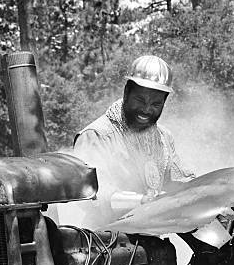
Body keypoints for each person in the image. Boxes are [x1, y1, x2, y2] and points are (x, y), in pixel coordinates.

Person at [72, 55, 194, 229]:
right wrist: (141, 201)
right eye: (140, 100)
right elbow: (91, 196)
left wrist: (212, 192)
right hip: (104, 241)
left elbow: (179, 180)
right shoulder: (96, 135)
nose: (146, 109)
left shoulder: (164, 138)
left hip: (148, 235)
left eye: (156, 104)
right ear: (126, 93)